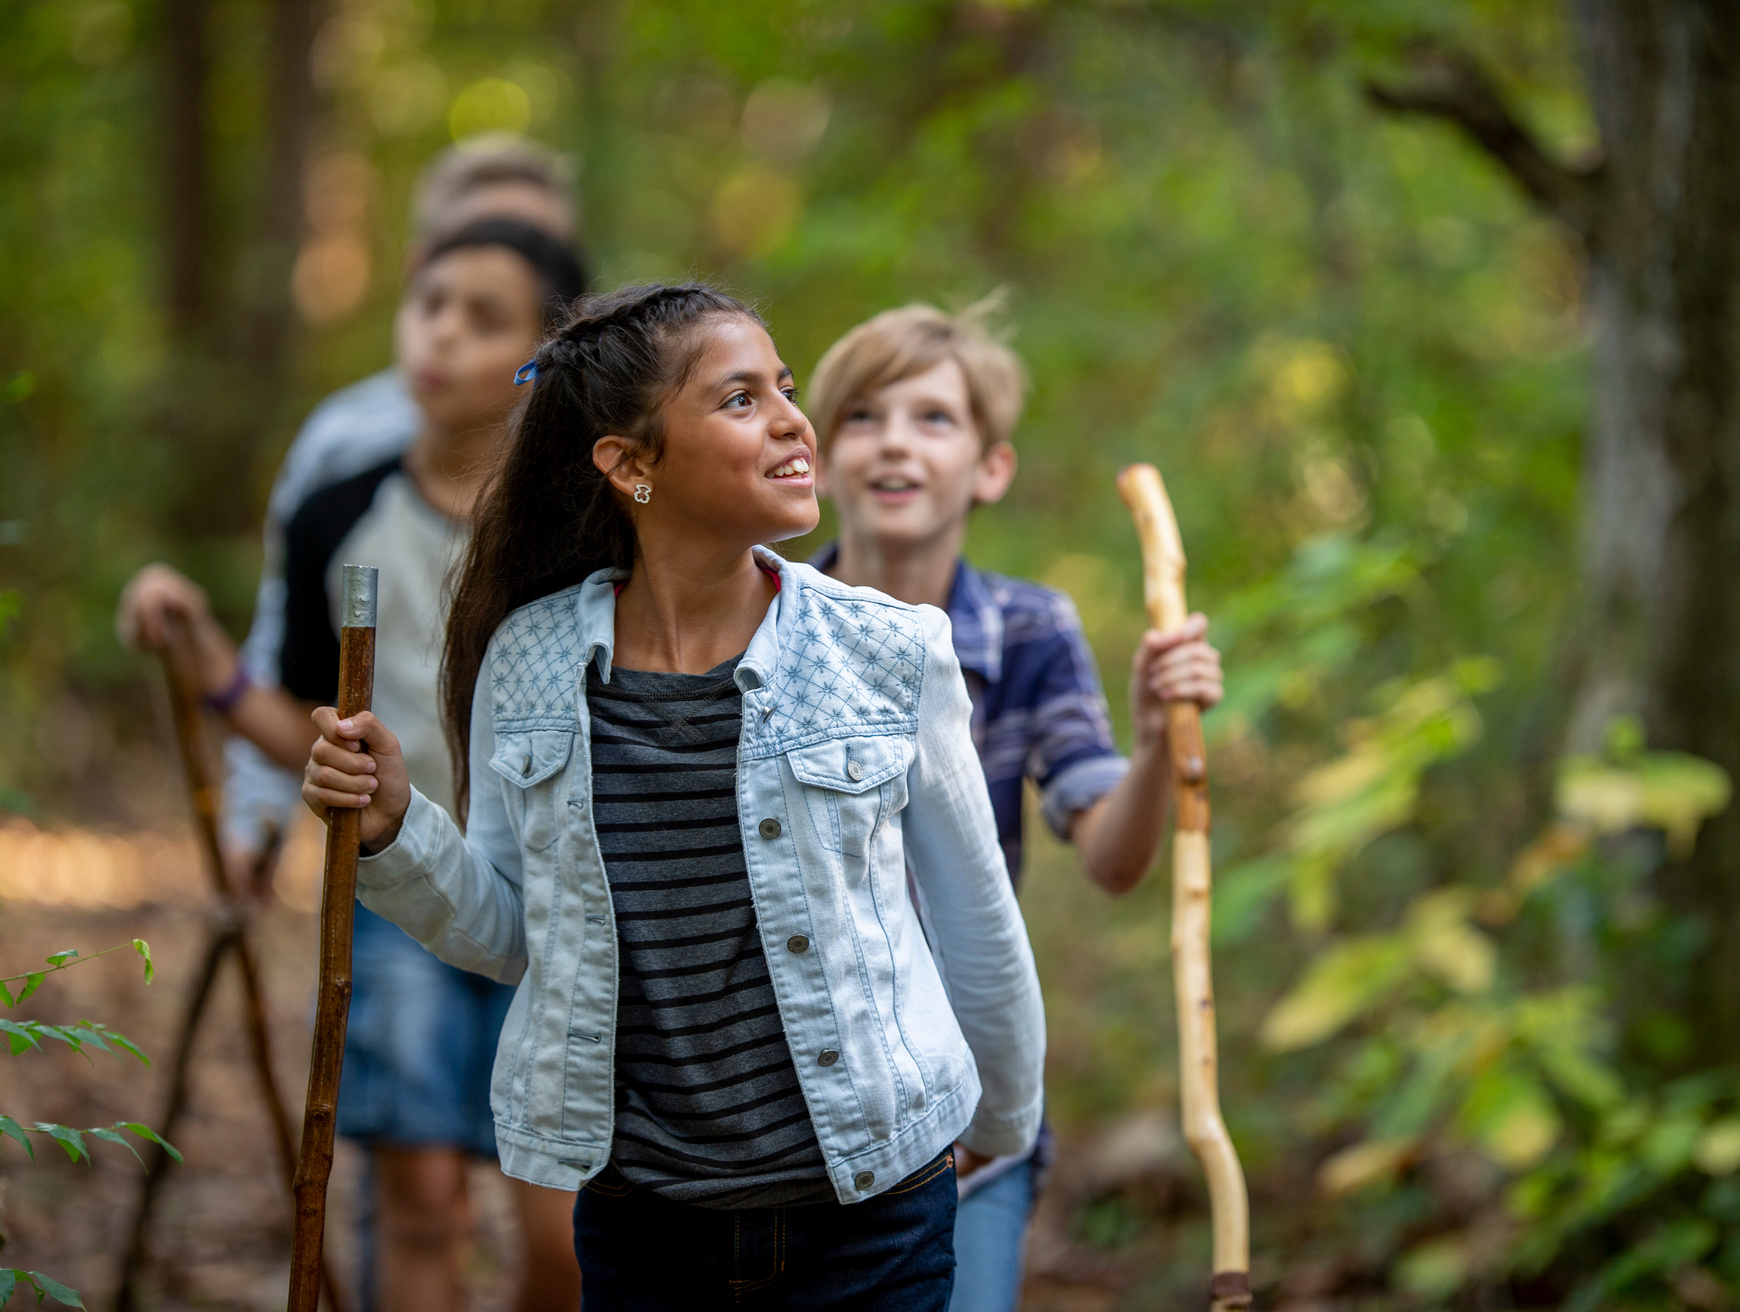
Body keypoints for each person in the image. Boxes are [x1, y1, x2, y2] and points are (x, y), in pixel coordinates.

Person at [296, 282, 1047, 1311]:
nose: (793, 418)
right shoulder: (535, 659)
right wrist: (395, 828)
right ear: (630, 462)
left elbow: (976, 919)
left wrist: (998, 1128)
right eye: (741, 400)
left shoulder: (887, 650)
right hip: (644, 1220)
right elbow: (515, 931)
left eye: (786, 389)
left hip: (874, 1209)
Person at [119, 220, 590, 1312]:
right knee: (419, 1198)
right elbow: (303, 725)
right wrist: (203, 659)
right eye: (429, 303)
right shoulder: (341, 510)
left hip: (568, 900)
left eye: (485, 318)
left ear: (545, 354)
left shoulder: (582, 529)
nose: (440, 335)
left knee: (559, 1230)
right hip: (393, 889)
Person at [801, 302, 1224, 1312]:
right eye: (863, 416)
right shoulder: (763, 620)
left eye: (934, 419)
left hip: (968, 1111)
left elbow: (1113, 858)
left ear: (989, 468)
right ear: (816, 460)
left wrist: (1159, 735)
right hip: (799, 1109)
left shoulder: (1030, 630)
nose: (896, 439)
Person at [223, 134, 582, 852]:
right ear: (418, 268)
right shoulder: (341, 454)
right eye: (437, 298)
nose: (446, 334)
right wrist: (254, 821)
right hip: (398, 859)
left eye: (528, 246)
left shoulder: (592, 497)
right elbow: (287, 655)